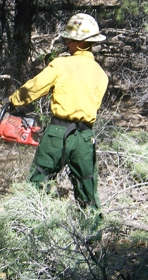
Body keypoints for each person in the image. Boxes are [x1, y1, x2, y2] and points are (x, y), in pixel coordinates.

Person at [8, 13, 108, 211]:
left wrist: (13, 101)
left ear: (79, 43)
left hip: (58, 133)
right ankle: (91, 235)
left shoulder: (62, 64)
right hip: (85, 138)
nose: (66, 44)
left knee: (38, 182)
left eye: (69, 40)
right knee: (87, 189)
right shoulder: (100, 73)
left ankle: (28, 225)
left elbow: (35, 87)